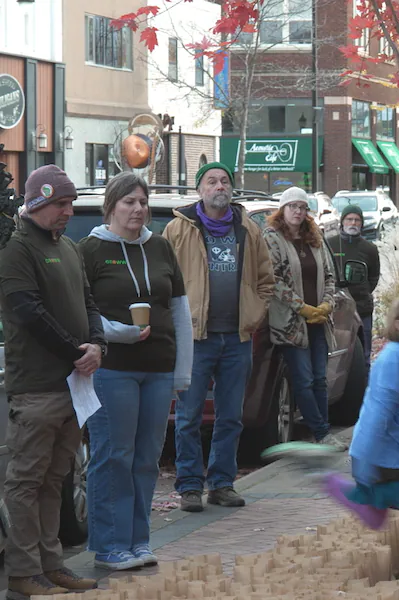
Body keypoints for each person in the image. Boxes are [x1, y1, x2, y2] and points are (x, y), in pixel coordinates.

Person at [78, 172, 192, 571]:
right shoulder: (89, 250)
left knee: (147, 458)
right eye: (129, 202)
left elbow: (180, 311)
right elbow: (81, 315)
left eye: (142, 202)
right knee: (114, 455)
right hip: (112, 369)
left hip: (159, 368)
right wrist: (118, 334)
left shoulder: (160, 248)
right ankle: (109, 545)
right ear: (111, 206)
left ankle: (139, 541)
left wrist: (183, 371)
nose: (138, 209)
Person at [0, 165, 103, 595]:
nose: (68, 211)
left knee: (55, 479)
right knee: (25, 482)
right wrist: (75, 352)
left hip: (72, 386)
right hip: (38, 387)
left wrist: (97, 342)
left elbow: (89, 301)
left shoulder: (69, 248)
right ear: (38, 203)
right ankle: (24, 573)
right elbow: (28, 312)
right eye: (61, 204)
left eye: (70, 203)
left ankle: (50, 563)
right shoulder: (18, 250)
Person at [164, 162, 275, 512]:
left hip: (236, 339)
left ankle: (222, 483)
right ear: (200, 190)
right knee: (188, 416)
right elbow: (163, 280)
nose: (219, 186)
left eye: (224, 181)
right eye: (211, 181)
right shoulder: (177, 230)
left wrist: (254, 316)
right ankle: (190, 487)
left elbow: (265, 280)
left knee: (230, 416)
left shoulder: (247, 229)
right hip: (196, 338)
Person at [325, 291, 399, 600]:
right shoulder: (393, 357)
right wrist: (366, 462)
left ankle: (327, 481)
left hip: (390, 456)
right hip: (383, 457)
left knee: (376, 517)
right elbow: (379, 410)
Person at [263, 187, 342, 449]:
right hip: (291, 323)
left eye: (302, 207)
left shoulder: (314, 238)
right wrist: (302, 307)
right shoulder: (272, 238)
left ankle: (323, 431)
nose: (298, 211)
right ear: (282, 209)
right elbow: (274, 281)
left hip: (318, 321)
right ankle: (321, 433)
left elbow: (329, 275)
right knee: (304, 380)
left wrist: (327, 304)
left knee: (320, 378)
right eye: (293, 206)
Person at [327, 204, 380, 354]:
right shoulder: (330, 244)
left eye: (357, 220)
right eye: (349, 219)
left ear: (361, 223)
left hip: (362, 307)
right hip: (336, 307)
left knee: (363, 351)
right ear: (342, 222)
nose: (353, 223)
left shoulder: (370, 248)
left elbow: (374, 276)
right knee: (338, 351)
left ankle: (365, 377)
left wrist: (362, 290)